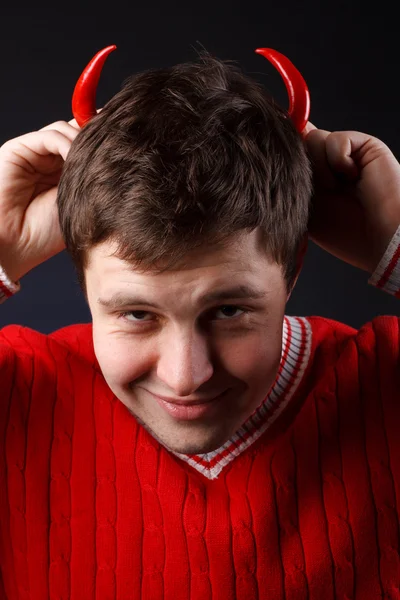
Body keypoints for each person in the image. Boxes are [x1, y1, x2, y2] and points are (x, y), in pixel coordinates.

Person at [0, 48, 399, 600]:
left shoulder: (385, 384)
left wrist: (397, 242)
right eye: (136, 314)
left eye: (229, 311)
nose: (186, 376)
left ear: (291, 272)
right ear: (84, 282)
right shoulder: (17, 391)